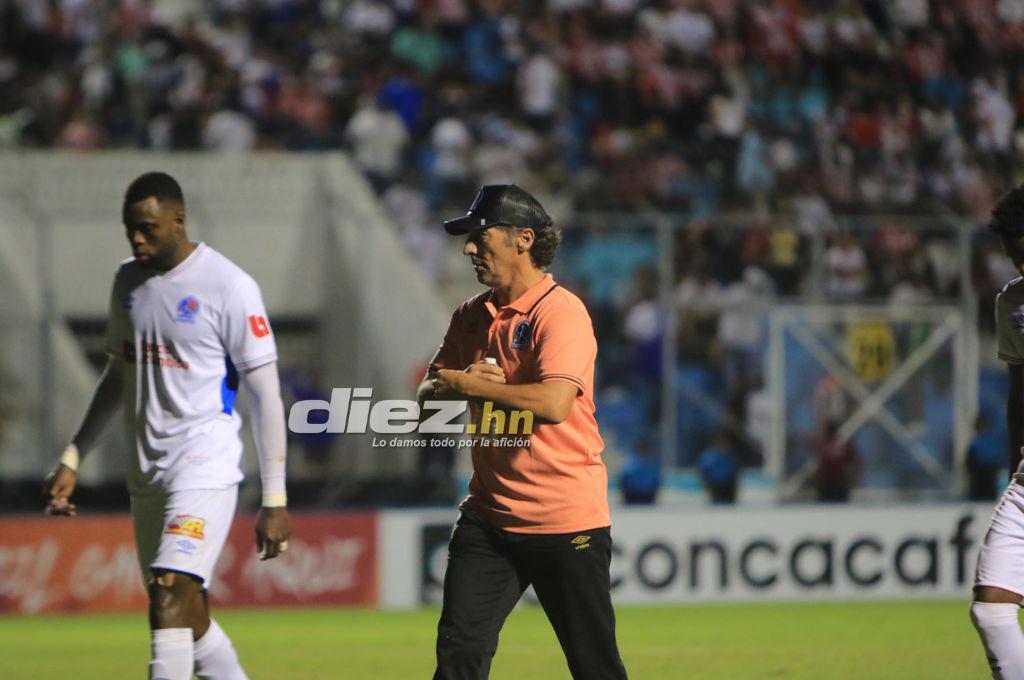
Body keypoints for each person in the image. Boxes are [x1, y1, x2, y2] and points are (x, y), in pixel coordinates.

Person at [41, 172, 291, 680]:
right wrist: (74, 454)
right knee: (189, 620)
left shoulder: (230, 286)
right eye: (130, 228)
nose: (137, 239)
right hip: (148, 474)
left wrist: (275, 499)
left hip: (204, 465)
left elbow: (267, 394)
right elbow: (119, 372)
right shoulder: (127, 282)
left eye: (148, 228)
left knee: (168, 595)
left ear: (179, 220)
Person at [419, 184, 628, 680]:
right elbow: (430, 391)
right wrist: (460, 386)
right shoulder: (470, 315)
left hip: (566, 523)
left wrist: (478, 388)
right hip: (489, 521)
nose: (469, 248)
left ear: (523, 240)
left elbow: (555, 404)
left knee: (595, 667)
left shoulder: (561, 312)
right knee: (458, 658)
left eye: (480, 236)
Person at [971, 184, 1024, 679]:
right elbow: (1018, 391)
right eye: (1012, 257)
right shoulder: (1013, 304)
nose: (1018, 265)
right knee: (990, 607)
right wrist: (1015, 466)